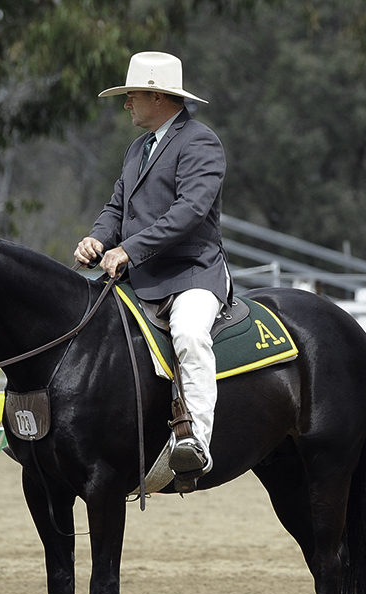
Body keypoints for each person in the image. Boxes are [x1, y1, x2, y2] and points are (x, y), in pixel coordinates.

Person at [74, 51, 230, 488]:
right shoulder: (137, 149)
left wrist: (127, 249)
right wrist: (98, 238)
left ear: (158, 97)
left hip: (190, 274)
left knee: (190, 335)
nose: (127, 104)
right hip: (136, 275)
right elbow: (116, 208)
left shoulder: (200, 142)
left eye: (132, 96)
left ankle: (195, 442)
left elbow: (190, 212)